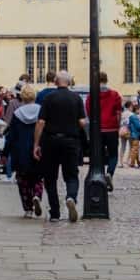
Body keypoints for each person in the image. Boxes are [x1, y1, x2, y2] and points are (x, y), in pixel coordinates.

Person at [32, 70, 87, 221]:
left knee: (50, 178)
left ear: (56, 81)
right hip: (70, 141)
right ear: (69, 82)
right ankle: (71, 197)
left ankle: (55, 212)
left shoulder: (49, 98)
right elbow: (82, 122)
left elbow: (41, 122)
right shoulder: (76, 98)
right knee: (71, 175)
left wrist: (36, 144)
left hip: (50, 141)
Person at [5, 87, 44, 216]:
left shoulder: (17, 114)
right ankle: (37, 195)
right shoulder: (41, 111)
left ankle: (28, 209)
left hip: (20, 151)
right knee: (38, 177)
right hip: (37, 149)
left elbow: (11, 136)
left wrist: (5, 153)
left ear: (22, 97)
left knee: (23, 181)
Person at [93, 72, 123, 187]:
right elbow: (118, 113)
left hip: (98, 129)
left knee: (98, 154)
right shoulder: (114, 94)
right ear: (106, 80)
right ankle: (109, 173)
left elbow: (89, 111)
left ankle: (100, 176)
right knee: (113, 154)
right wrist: (118, 125)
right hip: (111, 128)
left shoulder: (93, 95)